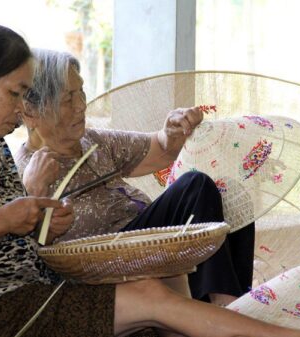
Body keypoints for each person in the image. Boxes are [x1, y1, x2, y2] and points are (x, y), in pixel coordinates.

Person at [0, 22, 300, 337]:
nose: (19, 108)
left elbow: (15, 234)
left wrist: (39, 222)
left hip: (29, 295)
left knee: (153, 304)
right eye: (14, 94)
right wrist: (10, 217)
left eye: (26, 94)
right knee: (150, 298)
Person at [16, 48, 255, 306]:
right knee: (194, 186)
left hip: (144, 239)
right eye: (67, 99)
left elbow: (161, 150)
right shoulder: (26, 169)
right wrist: (34, 189)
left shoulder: (93, 141)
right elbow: (26, 248)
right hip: (108, 257)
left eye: (81, 92)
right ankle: (223, 307)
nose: (81, 105)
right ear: (31, 111)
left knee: (231, 194)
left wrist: (172, 130)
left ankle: (231, 303)